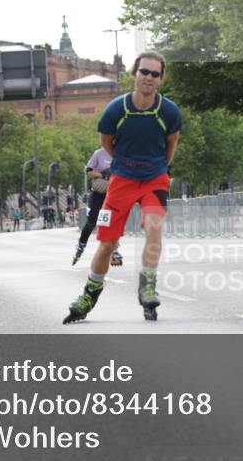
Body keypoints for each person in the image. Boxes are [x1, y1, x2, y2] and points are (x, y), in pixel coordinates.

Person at [63, 52, 182, 324]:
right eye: (144, 71)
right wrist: (125, 164)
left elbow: (170, 146)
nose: (148, 77)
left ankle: (148, 285)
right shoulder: (116, 109)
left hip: (154, 179)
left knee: (154, 227)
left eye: (154, 73)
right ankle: (89, 294)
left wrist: (156, 169)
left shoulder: (169, 112)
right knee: (107, 243)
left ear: (160, 78)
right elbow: (107, 143)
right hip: (122, 180)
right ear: (134, 73)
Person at [71, 147, 123, 267]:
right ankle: (81, 245)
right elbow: (88, 170)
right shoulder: (99, 153)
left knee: (113, 222)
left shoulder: (121, 153)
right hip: (98, 193)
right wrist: (103, 175)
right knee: (92, 222)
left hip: (113, 193)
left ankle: (114, 250)